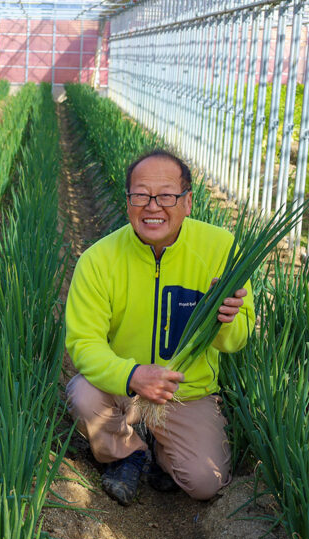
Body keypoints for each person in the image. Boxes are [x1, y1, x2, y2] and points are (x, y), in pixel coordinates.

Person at [64, 149, 254, 505]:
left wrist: (225, 322)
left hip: (186, 393)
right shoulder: (98, 260)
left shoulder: (221, 248)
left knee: (204, 481)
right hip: (124, 388)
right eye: (141, 195)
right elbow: (83, 342)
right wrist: (133, 374)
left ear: (188, 202)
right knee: (83, 395)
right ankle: (126, 453)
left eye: (166, 195)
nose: (153, 206)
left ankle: (165, 455)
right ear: (127, 201)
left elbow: (239, 337)